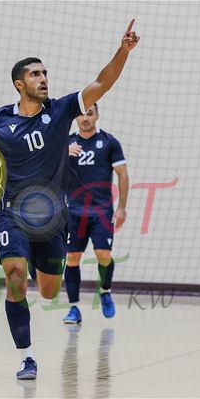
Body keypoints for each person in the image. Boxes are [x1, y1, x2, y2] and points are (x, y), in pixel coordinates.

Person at [0, 20, 139, 380]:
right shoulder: (0, 121)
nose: (43, 78)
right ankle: (27, 358)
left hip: (52, 218)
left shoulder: (61, 110)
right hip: (12, 213)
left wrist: (123, 52)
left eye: (45, 73)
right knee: (15, 277)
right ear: (19, 84)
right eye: (35, 74)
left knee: (49, 291)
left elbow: (102, 83)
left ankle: (39, 264)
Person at [62, 104, 129, 324]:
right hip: (74, 212)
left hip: (101, 211)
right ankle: (74, 308)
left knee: (103, 255)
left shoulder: (109, 142)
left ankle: (105, 291)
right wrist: (62, 154)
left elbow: (122, 174)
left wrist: (121, 207)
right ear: (76, 118)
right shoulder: (66, 143)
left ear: (97, 116)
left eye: (90, 114)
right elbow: (47, 167)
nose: (85, 118)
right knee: (72, 259)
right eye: (81, 114)